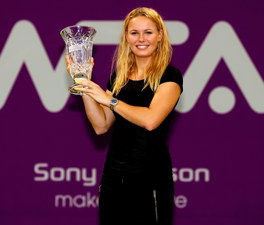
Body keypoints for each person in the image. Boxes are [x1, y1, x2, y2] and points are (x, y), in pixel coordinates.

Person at [67, 7, 183, 225]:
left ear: (160, 36)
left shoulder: (171, 76)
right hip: (114, 176)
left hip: (150, 179)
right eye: (134, 32)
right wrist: (84, 85)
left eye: (148, 32)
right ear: (126, 37)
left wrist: (109, 100)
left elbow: (150, 120)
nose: (141, 39)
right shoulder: (118, 78)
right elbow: (102, 125)